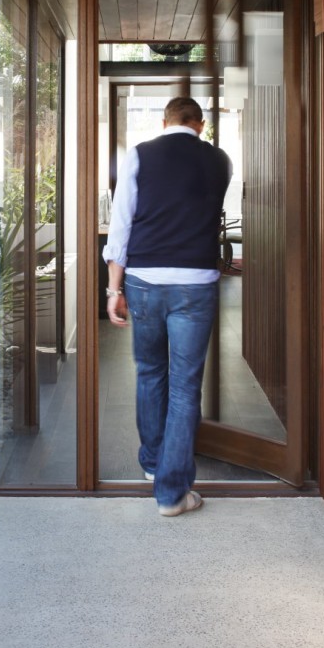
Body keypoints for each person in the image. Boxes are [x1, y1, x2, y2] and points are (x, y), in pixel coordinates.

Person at [103, 96, 232, 516]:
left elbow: (121, 223)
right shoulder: (220, 160)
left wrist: (113, 289)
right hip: (195, 284)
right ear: (200, 124)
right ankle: (173, 492)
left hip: (144, 281)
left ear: (165, 121)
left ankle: (154, 465)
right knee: (184, 386)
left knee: (150, 373)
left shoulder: (140, 156)